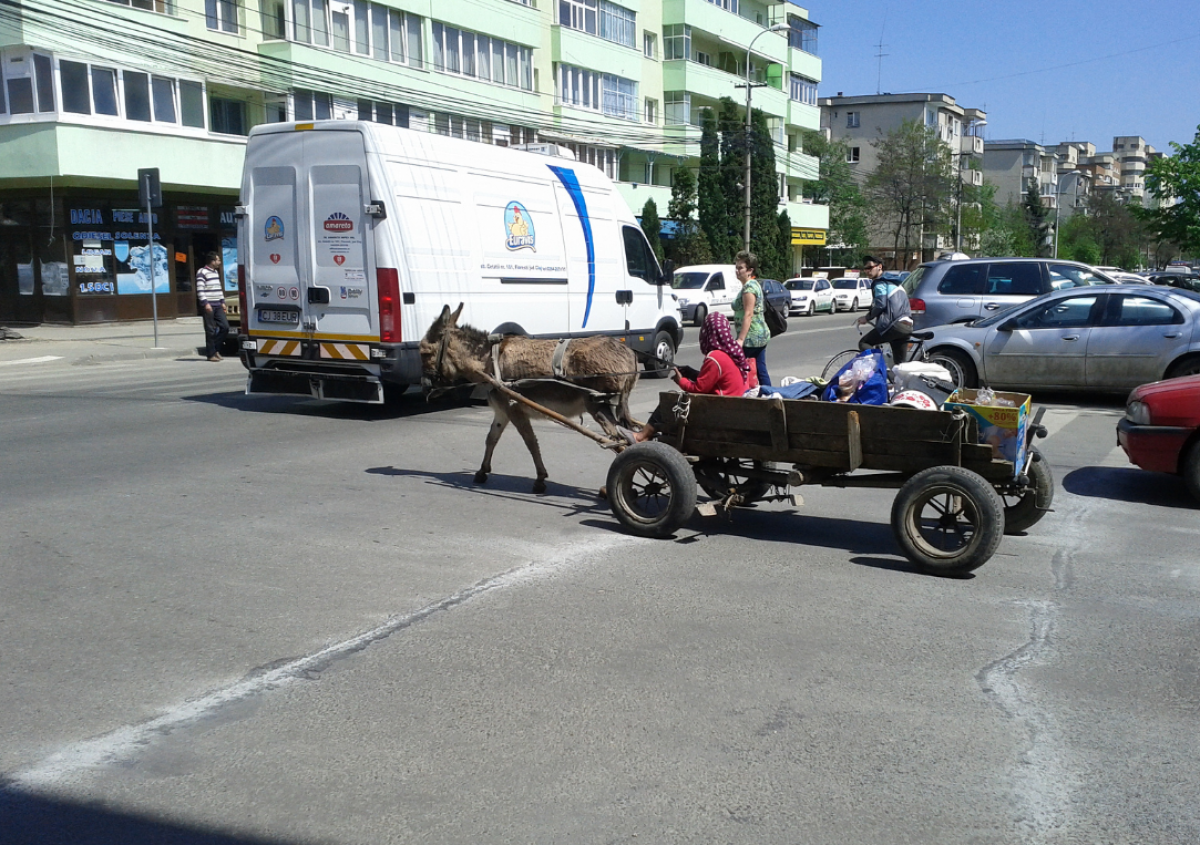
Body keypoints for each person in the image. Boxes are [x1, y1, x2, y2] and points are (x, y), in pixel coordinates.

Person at [623, 312, 755, 443]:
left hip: (720, 410)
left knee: (669, 401)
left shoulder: (715, 357)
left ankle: (641, 437)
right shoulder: (731, 352)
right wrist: (691, 373)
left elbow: (699, 389)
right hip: (733, 406)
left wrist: (680, 380)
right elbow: (716, 380)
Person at [855, 256, 913, 365]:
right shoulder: (894, 282)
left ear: (879, 267)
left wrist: (867, 318)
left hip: (894, 324)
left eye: (870, 267)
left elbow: (880, 304)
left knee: (864, 343)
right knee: (900, 366)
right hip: (906, 324)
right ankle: (900, 381)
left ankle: (876, 370)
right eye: (865, 269)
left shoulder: (880, 283)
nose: (867, 271)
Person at [731, 249, 772, 387]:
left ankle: (743, 397)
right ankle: (771, 397)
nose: (737, 271)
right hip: (758, 335)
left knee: (739, 370)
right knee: (760, 370)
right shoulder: (752, 285)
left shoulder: (749, 288)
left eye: (740, 268)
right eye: (736, 268)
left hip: (751, 337)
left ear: (750, 270)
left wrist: (740, 340)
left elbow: (748, 314)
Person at [197, 251, 229, 362]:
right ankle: (210, 355)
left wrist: (222, 301)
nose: (219, 262)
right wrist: (205, 303)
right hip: (209, 305)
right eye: (218, 260)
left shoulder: (215, 273)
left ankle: (216, 349)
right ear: (212, 261)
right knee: (210, 330)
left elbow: (219, 288)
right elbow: (200, 289)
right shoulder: (202, 272)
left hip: (218, 304)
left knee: (225, 327)